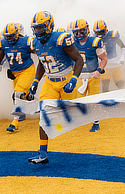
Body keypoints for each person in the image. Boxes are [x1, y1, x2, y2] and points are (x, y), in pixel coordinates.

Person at [25, 11, 84, 164]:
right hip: (50, 82)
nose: (38, 32)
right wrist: (36, 81)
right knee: (44, 115)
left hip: (67, 80)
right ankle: (43, 154)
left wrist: (74, 79)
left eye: (41, 28)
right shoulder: (36, 43)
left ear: (50, 25)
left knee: (71, 115)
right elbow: (42, 61)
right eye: (36, 29)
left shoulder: (60, 39)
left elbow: (79, 60)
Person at [0, 22, 36, 132]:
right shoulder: (4, 43)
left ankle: (15, 122)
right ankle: (34, 102)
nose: (9, 39)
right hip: (15, 73)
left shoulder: (25, 41)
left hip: (27, 70)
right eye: (7, 37)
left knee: (16, 94)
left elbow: (40, 52)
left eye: (11, 36)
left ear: (17, 34)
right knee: (22, 95)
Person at [70, 19, 107, 132]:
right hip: (80, 76)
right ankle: (82, 119)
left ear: (87, 30)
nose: (79, 34)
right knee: (79, 101)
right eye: (76, 32)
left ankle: (96, 122)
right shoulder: (71, 42)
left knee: (93, 100)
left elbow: (104, 59)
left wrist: (99, 70)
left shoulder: (95, 42)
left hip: (92, 75)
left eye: (81, 32)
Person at [93, 19, 125, 92]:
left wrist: (122, 57)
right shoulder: (94, 38)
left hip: (115, 63)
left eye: (101, 32)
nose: (99, 34)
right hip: (104, 65)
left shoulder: (112, 35)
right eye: (97, 32)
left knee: (119, 83)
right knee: (105, 86)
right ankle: (106, 102)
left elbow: (122, 46)